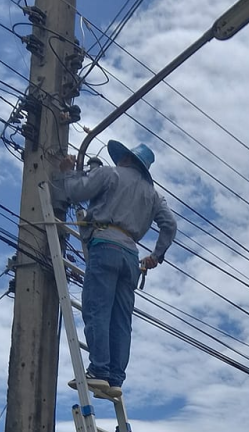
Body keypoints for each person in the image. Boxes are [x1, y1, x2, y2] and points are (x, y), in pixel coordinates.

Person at [54, 140, 177, 398]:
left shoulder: (110, 174)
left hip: (105, 245)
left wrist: (67, 171)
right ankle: (115, 378)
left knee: (97, 309)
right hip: (131, 256)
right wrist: (156, 255)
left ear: (127, 159)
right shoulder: (153, 196)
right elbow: (170, 225)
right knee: (121, 320)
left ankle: (98, 371)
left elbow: (77, 192)